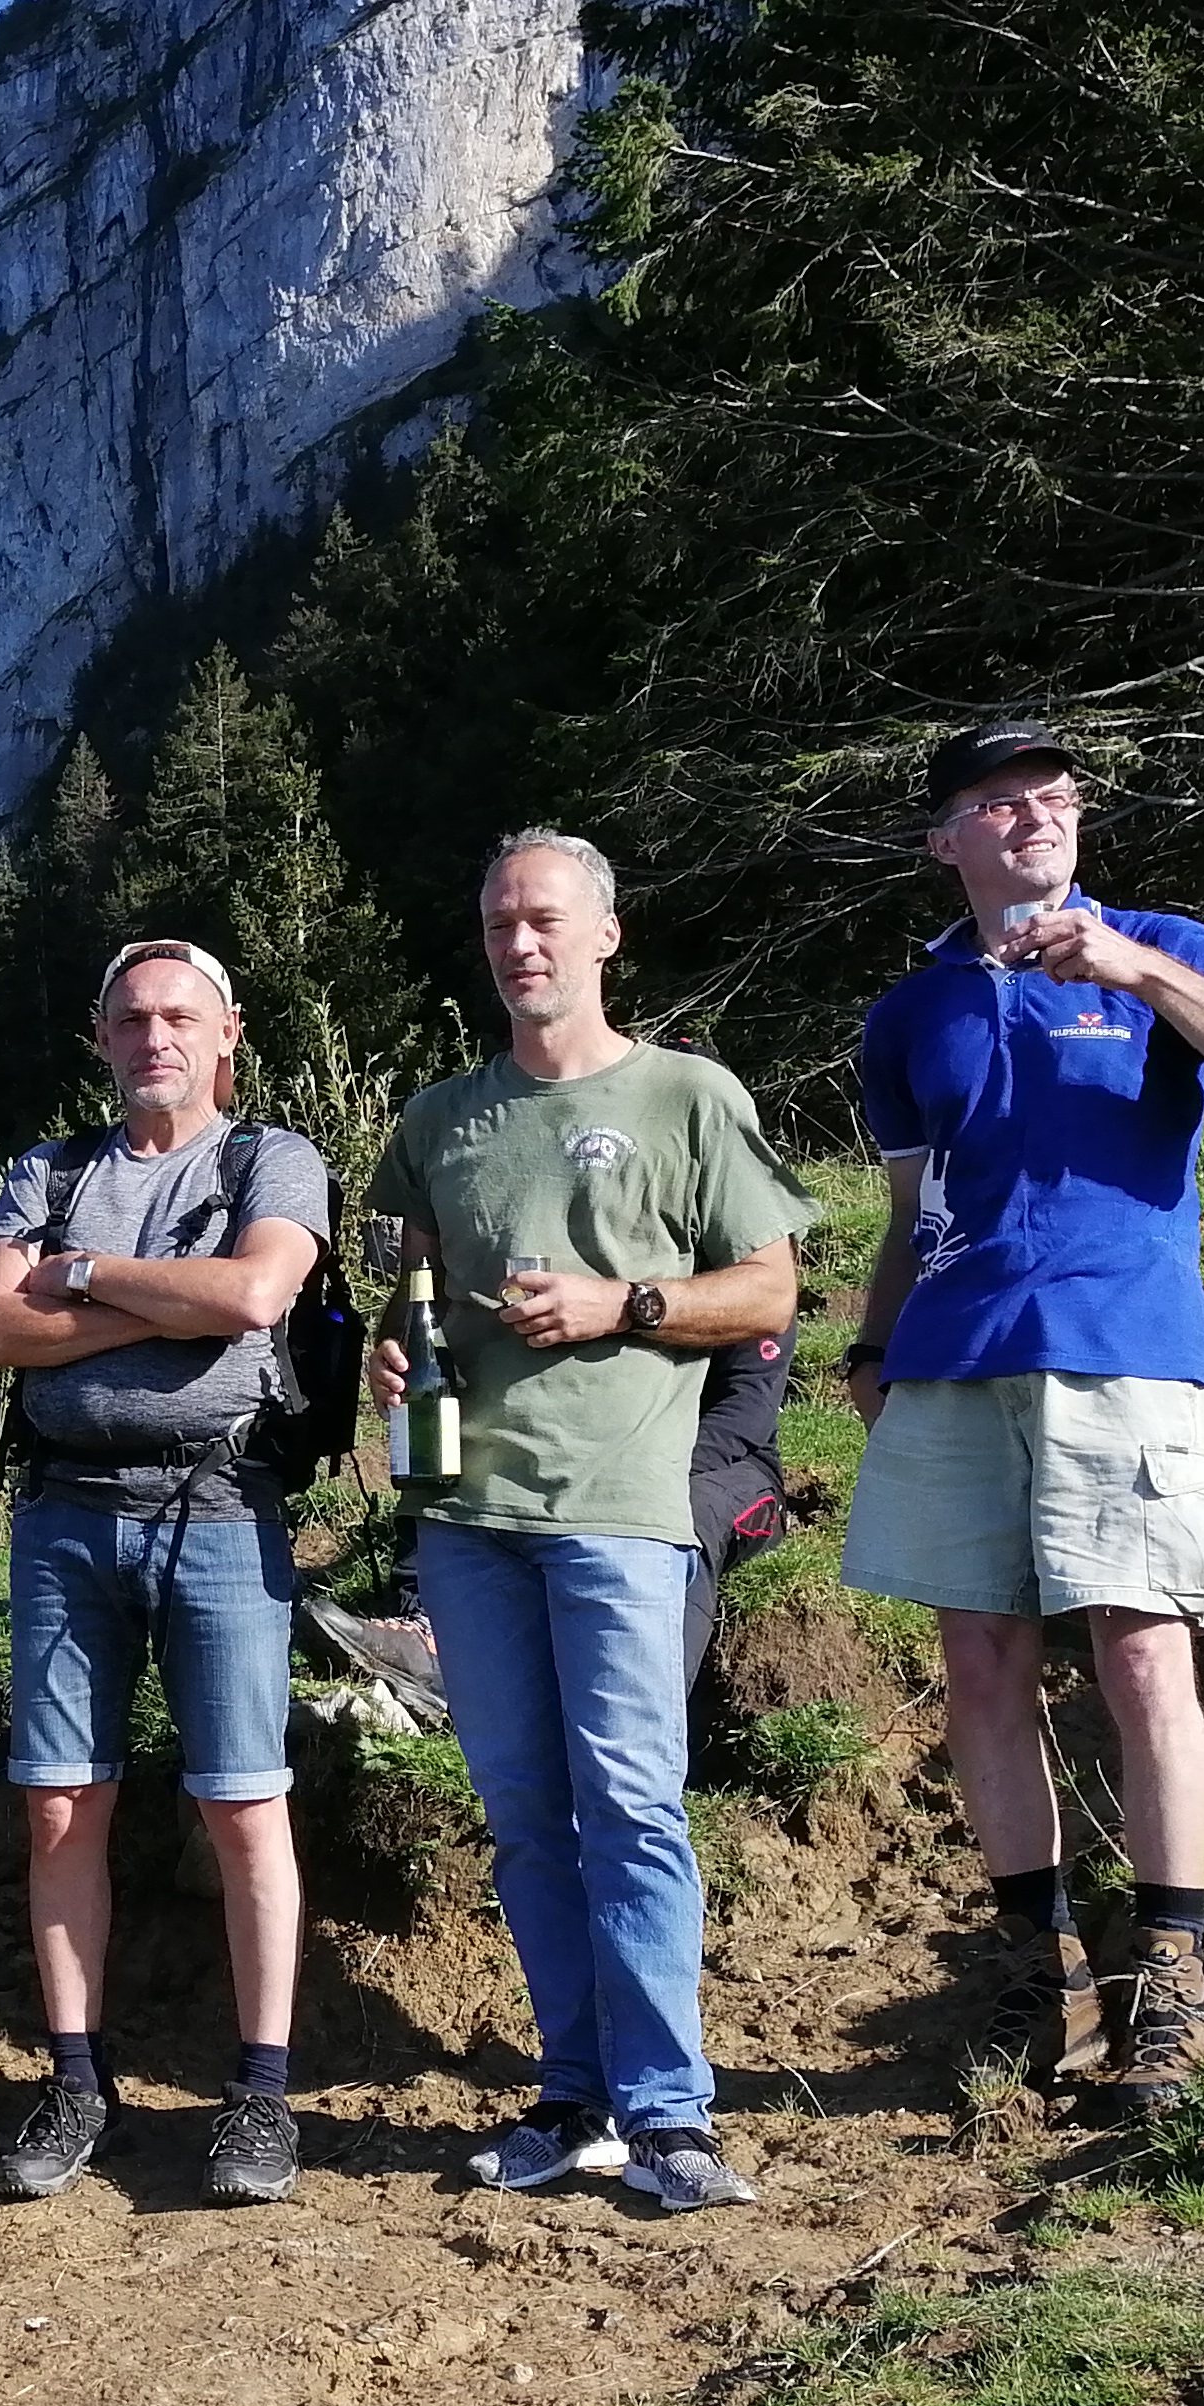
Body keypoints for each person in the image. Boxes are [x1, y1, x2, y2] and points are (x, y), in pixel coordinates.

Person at [836, 730, 1204, 2123]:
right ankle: (1037, 1971)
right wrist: (875, 1342)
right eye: (998, 803)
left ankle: (1169, 1977)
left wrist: (1136, 972)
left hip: (1123, 1349)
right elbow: (910, 1209)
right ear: (944, 841)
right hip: (952, 1363)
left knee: (1142, 1651)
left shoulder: (1167, 947)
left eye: (1053, 797)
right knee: (980, 1667)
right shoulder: (909, 1011)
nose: (1034, 818)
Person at [371, 834, 812, 2215]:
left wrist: (625, 1304)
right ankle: (569, 2097)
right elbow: (410, 1297)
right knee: (522, 1817)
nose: (522, 944)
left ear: (605, 936)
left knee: (630, 1806)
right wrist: (390, 1354)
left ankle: (670, 2115)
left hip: (623, 1510)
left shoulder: (687, 1095)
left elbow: (769, 1291)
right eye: (500, 922)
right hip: (468, 1516)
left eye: (546, 920)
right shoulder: (438, 1119)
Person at [0, 940, 333, 2205]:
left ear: (227, 1033)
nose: (152, 1037)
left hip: (221, 1509)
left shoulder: (268, 1160)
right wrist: (178, 1300)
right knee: (60, 1804)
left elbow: (258, 1292)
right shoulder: (49, 1169)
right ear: (100, 1037)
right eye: (129, 1019)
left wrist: (83, 1278)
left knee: (242, 1802)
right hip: (61, 1517)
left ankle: (261, 2095)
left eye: (178, 1016)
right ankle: (74, 2082)